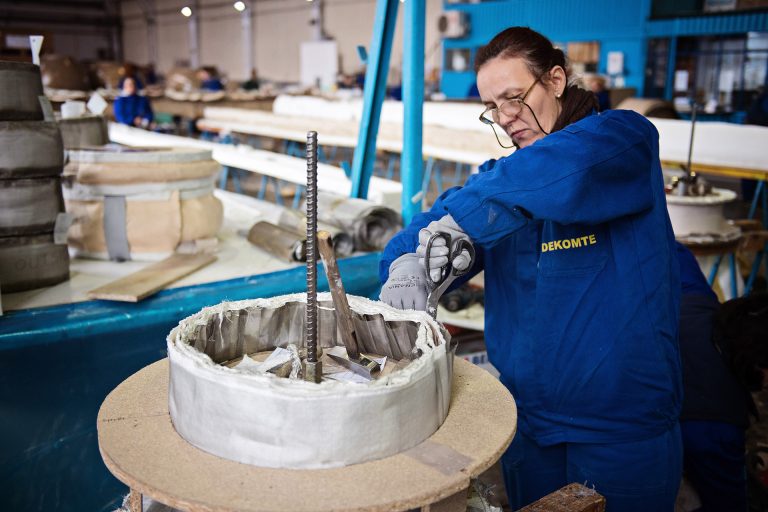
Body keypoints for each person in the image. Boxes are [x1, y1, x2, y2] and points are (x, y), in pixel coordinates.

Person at [379, 27, 681, 511]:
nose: (505, 118)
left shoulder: (624, 140)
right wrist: (406, 262)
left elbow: (565, 171)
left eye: (514, 97)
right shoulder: (499, 183)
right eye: (492, 107)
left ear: (556, 79)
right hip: (529, 423)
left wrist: (463, 223)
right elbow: (416, 231)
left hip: (620, 426)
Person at [676, 242, 754, 511]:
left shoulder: (695, 292)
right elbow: (728, 503)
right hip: (667, 445)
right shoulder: (721, 424)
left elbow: (669, 247)